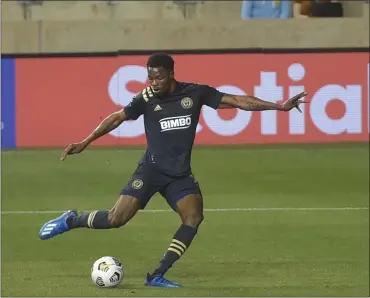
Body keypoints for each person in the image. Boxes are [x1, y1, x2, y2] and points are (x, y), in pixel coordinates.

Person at [39, 52, 308, 288]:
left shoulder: (195, 93)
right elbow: (117, 117)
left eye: (158, 78)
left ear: (171, 74)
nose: (153, 83)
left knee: (193, 217)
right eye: (150, 78)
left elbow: (238, 100)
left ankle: (156, 274)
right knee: (115, 219)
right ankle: (71, 220)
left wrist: (279, 107)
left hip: (179, 175)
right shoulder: (145, 98)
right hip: (150, 171)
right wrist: (85, 142)